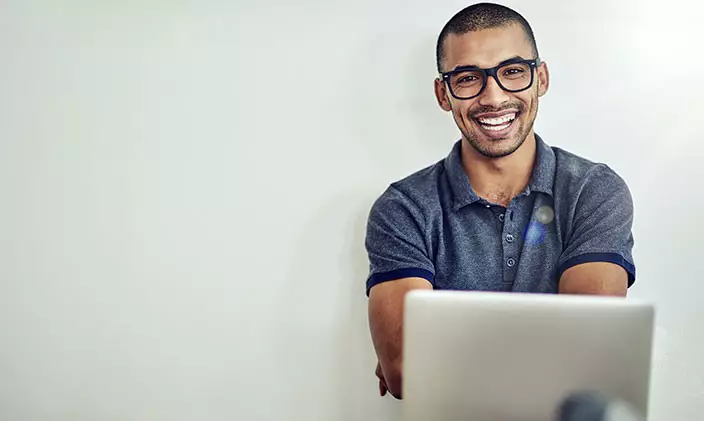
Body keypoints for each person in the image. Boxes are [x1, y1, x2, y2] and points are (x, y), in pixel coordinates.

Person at [364, 3, 637, 400]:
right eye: (468, 77)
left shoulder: (593, 191)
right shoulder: (403, 207)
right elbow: (409, 371)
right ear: (443, 93)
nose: (493, 97)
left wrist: (443, 355)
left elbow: (587, 354)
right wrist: (411, 361)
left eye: (512, 72)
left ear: (540, 78)